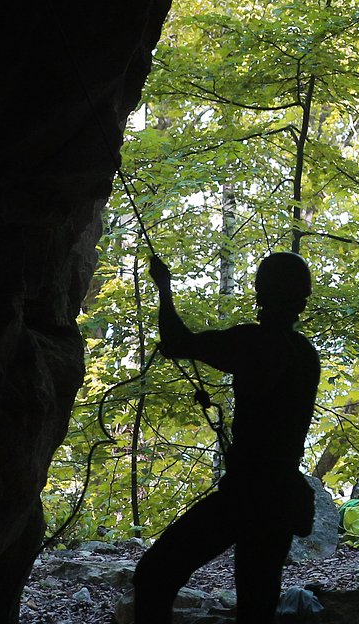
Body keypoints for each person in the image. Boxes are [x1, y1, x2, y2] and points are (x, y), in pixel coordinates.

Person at [133, 253, 321, 624]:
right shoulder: (305, 354)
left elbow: (175, 342)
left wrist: (164, 286)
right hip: (280, 496)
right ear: (301, 300)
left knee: (155, 574)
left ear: (261, 292)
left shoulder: (253, 342)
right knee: (257, 604)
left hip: (247, 492)